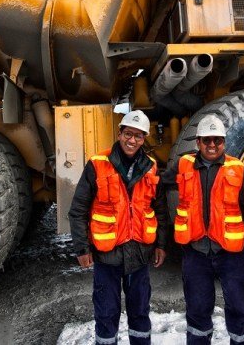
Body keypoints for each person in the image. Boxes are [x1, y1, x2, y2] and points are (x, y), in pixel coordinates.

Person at [68, 110, 169, 345]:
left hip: (140, 254)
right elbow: (78, 210)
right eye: (128, 134)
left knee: (140, 313)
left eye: (138, 136)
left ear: (144, 139)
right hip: (108, 257)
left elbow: (160, 210)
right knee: (106, 314)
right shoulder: (97, 164)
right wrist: (82, 248)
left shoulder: (152, 167)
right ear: (119, 133)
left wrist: (162, 245)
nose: (132, 140)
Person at [160, 114, 244, 345]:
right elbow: (159, 184)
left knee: (239, 307)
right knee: (197, 309)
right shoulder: (183, 164)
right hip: (196, 252)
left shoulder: (237, 168)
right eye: (207, 140)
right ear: (198, 142)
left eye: (217, 140)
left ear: (224, 142)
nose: (212, 145)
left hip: (230, 253)